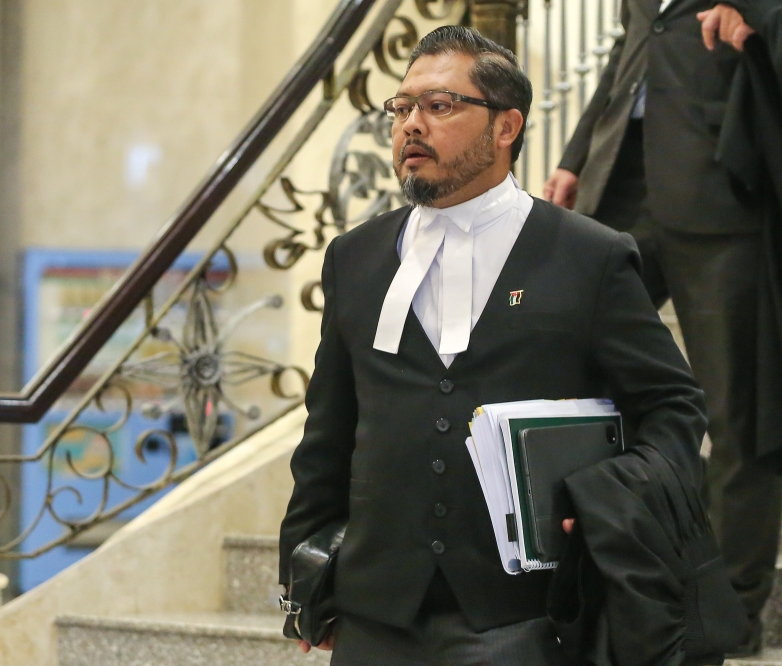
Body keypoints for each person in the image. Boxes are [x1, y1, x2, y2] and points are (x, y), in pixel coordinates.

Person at [279, 25, 708, 665]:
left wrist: (610, 501)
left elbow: (675, 407)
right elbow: (328, 435)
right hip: (374, 611)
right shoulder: (355, 258)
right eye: (402, 108)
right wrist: (306, 579)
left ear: (505, 127)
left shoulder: (590, 256)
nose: (410, 125)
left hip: (521, 618)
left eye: (440, 106)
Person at [545, 0, 782, 655]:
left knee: (738, 410)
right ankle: (574, 581)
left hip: (728, 184)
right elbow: (635, 42)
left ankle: (729, 612)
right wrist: (576, 155)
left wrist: (766, 15)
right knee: (562, 374)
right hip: (622, 185)